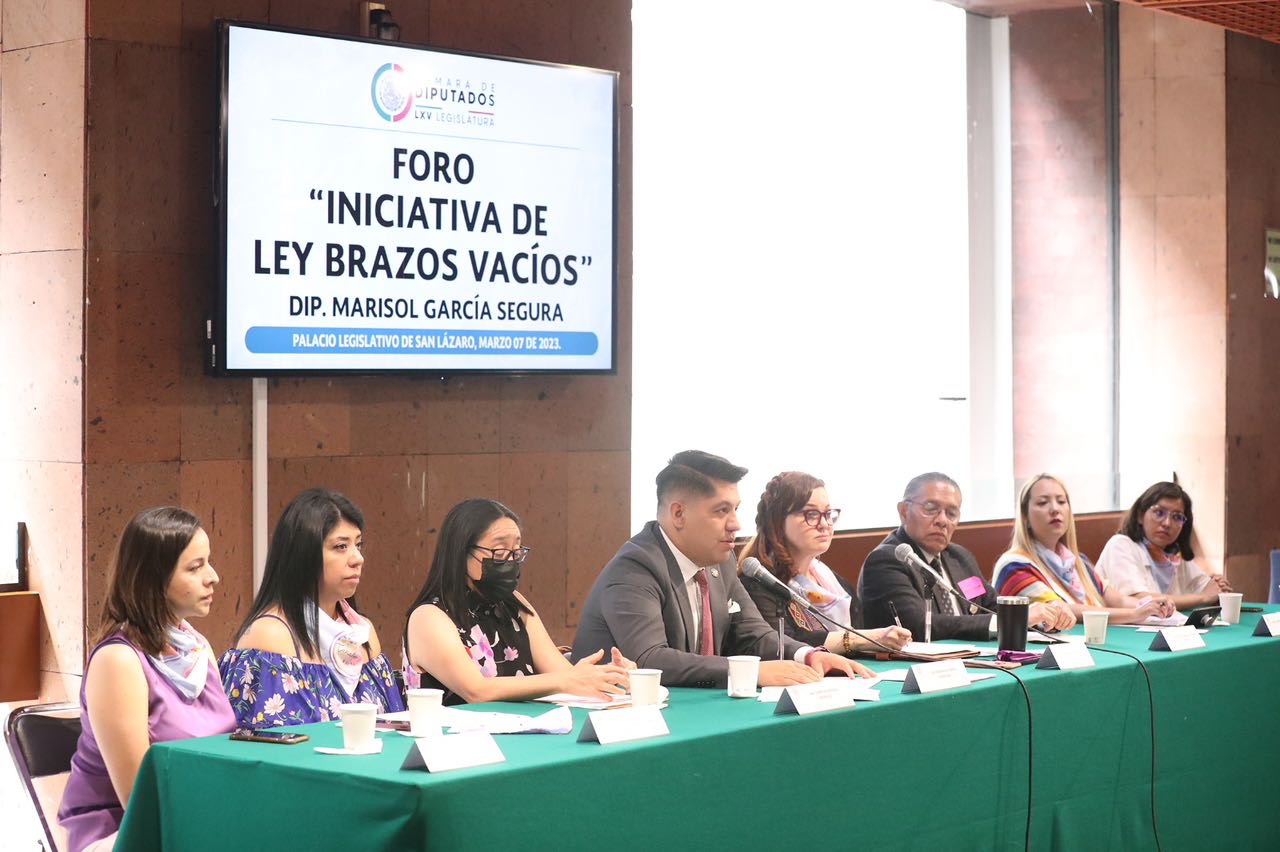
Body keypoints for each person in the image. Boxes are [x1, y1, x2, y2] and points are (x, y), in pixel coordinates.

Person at [571, 450, 868, 687]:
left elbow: (753, 633)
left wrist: (807, 655)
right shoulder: (636, 567)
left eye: (735, 509)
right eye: (721, 510)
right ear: (679, 513)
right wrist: (750, 672)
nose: (735, 524)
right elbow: (649, 659)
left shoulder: (720, 560)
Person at [58, 508, 235, 852]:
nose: (213, 577)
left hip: (200, 817)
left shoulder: (197, 647)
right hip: (123, 832)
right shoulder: (118, 660)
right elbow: (139, 801)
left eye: (208, 562)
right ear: (153, 579)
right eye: (195, 567)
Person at [403, 498, 632, 705]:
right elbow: (477, 691)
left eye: (516, 551)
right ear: (461, 553)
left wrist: (608, 675)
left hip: (525, 730)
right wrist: (566, 680)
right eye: (499, 550)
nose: (510, 560)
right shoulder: (429, 617)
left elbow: (563, 673)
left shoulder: (512, 604)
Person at [219, 488, 404, 728]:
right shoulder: (271, 635)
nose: (357, 558)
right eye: (341, 546)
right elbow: (267, 742)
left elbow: (394, 726)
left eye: (358, 545)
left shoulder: (362, 630)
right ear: (303, 555)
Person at [859, 472, 1075, 641]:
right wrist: (1016, 618)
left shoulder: (959, 558)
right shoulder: (887, 560)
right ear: (904, 511)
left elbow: (991, 607)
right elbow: (919, 625)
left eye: (951, 513)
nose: (942, 520)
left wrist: (1044, 616)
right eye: (931, 509)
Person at [738, 471, 911, 655]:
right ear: (778, 520)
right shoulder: (758, 584)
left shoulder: (834, 583)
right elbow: (783, 643)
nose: (824, 524)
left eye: (828, 513)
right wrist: (859, 640)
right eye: (811, 514)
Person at [993, 474, 1175, 623]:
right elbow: (1061, 610)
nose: (1055, 509)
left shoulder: (1077, 561)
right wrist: (1135, 614)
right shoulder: (1014, 565)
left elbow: (1117, 599)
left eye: (1061, 501)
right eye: (1042, 503)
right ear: (1024, 516)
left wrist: (1150, 604)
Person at [1094, 481, 1230, 609]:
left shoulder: (1174, 557)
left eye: (1177, 517)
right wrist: (1203, 597)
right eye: (1159, 513)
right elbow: (1139, 599)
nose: (1167, 523)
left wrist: (1218, 586)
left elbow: (1206, 588)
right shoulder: (1120, 545)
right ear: (1140, 515)